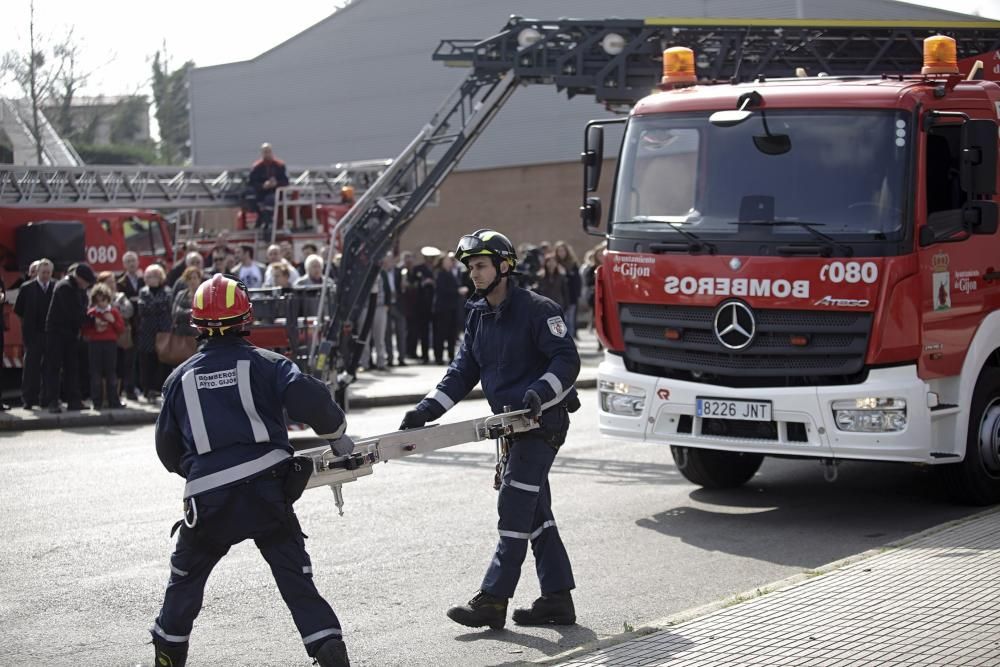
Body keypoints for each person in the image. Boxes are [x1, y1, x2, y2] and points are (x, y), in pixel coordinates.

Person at [150, 273, 352, 667]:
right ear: (247, 318)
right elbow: (312, 399)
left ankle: (168, 657)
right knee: (296, 581)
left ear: (196, 324)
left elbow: (167, 450)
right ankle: (330, 653)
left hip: (208, 500)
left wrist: (201, 470)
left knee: (185, 580)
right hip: (267, 494)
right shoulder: (268, 364)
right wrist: (336, 433)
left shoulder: (178, 379)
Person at [399, 229, 580, 630]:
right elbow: (463, 371)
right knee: (536, 512)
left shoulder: (538, 309)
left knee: (515, 504)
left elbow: (566, 361)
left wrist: (538, 392)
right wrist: (426, 410)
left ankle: (494, 600)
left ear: (504, 266)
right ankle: (558, 600)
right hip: (510, 429)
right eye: (470, 267)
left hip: (541, 423)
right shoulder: (477, 314)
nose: (474, 274)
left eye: (480, 265)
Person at [41, 262, 96, 413]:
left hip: (71, 334)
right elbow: (72, 313)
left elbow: (82, 309)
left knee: (72, 367)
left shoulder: (79, 289)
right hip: (57, 333)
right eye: (86, 282)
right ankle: (52, 401)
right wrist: (91, 320)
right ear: (79, 278)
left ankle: (74, 400)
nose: (86, 286)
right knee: (54, 367)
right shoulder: (64, 287)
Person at [14, 258, 54, 408]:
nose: (45, 275)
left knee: (49, 368)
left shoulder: (55, 287)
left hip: (50, 334)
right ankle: (29, 400)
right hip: (33, 335)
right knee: (31, 368)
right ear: (37, 272)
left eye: (48, 272)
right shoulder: (27, 288)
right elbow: (18, 310)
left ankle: (47, 399)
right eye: (43, 272)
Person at [82, 283, 125, 409]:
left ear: (108, 299)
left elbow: (121, 329)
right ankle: (97, 402)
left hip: (110, 344)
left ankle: (114, 401)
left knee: (111, 373)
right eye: (98, 301)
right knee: (96, 373)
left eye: (104, 300)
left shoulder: (113, 312)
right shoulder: (92, 313)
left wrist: (112, 320)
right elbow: (85, 331)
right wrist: (96, 328)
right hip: (95, 344)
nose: (101, 303)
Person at [137, 264, 174, 401]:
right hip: (147, 333)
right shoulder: (143, 292)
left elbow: (166, 305)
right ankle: (148, 390)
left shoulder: (167, 291)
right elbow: (142, 309)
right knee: (148, 362)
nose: (150, 279)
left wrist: (152, 306)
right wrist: (157, 306)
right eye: (147, 276)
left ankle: (164, 390)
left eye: (153, 276)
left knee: (164, 361)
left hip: (163, 332)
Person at [117, 252, 145, 400]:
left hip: (142, 325)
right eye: (128, 261)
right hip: (128, 326)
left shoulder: (143, 280)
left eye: (133, 260)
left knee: (140, 359)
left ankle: (141, 387)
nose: (131, 264)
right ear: (124, 264)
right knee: (128, 359)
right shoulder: (120, 282)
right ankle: (128, 389)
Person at [248, 142, 289, 231]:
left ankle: (268, 223)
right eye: (265, 152)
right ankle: (262, 220)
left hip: (276, 193)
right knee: (250, 197)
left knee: (270, 200)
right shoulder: (257, 167)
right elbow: (252, 182)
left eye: (268, 151)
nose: (267, 154)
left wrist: (276, 183)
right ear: (262, 153)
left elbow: (285, 181)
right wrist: (263, 185)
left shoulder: (279, 165)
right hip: (261, 193)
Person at [431, 254, 461, 365]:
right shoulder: (440, 273)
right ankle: (438, 357)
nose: (450, 262)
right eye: (448, 260)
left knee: (451, 333)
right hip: (443, 308)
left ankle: (451, 356)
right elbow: (442, 290)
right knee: (441, 333)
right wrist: (457, 291)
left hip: (452, 307)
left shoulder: (451, 273)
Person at [554, 242, 581, 339]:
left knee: (570, 320)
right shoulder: (554, 263)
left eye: (563, 251)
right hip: (558, 297)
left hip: (571, 296)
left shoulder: (572, 264)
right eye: (559, 251)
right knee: (558, 320)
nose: (561, 253)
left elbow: (577, 281)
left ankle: (570, 341)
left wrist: (566, 274)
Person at [172, 267, 204, 338]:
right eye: (189, 278)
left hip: (198, 336)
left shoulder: (204, 296)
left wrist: (183, 312)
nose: (192, 281)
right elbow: (175, 313)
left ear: (199, 279)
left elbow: (203, 314)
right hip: (181, 336)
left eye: (195, 278)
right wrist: (193, 311)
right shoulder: (181, 295)